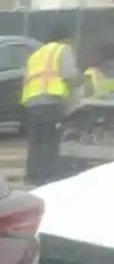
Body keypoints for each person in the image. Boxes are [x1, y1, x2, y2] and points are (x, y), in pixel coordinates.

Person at [21, 36, 81, 186]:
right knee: (51, 139)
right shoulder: (63, 50)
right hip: (52, 101)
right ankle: (48, 176)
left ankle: (31, 175)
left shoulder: (36, 54)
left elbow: (25, 79)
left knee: (35, 140)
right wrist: (79, 81)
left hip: (32, 102)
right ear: (66, 40)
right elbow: (69, 75)